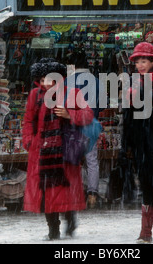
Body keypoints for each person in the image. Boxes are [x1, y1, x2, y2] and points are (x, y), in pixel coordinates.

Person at [22, 58, 94, 240]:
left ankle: (70, 218)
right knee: (46, 192)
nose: (48, 82)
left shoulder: (72, 93)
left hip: (65, 151)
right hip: (42, 152)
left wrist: (70, 115)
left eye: (51, 78)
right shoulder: (34, 95)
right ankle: (53, 228)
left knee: (64, 190)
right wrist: (29, 141)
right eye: (44, 78)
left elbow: (87, 115)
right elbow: (28, 120)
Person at [119, 42, 153, 243]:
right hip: (140, 143)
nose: (140, 65)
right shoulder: (131, 85)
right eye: (137, 61)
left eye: (144, 61)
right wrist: (125, 144)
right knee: (148, 185)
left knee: (152, 185)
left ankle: (146, 232)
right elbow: (127, 117)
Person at [65, 51, 102, 208]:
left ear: (73, 66)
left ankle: (76, 193)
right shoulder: (97, 82)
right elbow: (101, 105)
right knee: (92, 160)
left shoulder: (67, 81)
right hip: (92, 124)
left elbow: (64, 105)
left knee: (75, 161)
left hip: (73, 125)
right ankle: (92, 194)